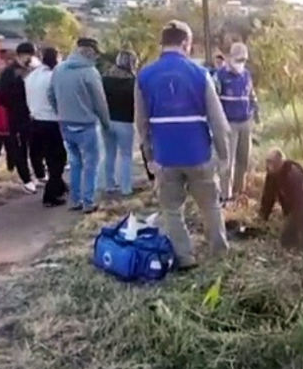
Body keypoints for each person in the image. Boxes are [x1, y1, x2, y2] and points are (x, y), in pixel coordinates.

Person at [135, 20, 231, 271]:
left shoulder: (144, 76)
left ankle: (185, 257)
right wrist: (223, 155)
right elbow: (218, 122)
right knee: (210, 205)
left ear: (162, 44)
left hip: (165, 157)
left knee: (172, 210)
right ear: (186, 43)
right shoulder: (200, 74)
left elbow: (141, 123)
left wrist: (149, 157)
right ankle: (219, 253)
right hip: (199, 154)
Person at [49, 37, 111, 214]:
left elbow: (50, 94)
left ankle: (75, 200)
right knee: (91, 164)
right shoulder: (90, 72)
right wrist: (106, 124)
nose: (97, 58)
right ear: (90, 53)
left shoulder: (59, 69)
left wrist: (60, 113)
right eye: (96, 54)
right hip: (86, 125)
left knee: (75, 163)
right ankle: (88, 202)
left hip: (66, 124)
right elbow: (100, 103)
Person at [213, 42, 260, 203]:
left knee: (243, 160)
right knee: (227, 161)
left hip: (245, 122)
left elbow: (251, 95)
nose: (241, 63)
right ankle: (226, 195)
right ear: (230, 58)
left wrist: (256, 112)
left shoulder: (246, 75)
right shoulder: (220, 76)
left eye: (244, 60)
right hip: (229, 124)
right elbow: (214, 101)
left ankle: (238, 192)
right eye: (238, 59)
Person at [0, 42, 47, 193]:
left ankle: (40, 174)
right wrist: (16, 103)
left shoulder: (32, 70)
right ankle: (26, 180)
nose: (30, 59)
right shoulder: (9, 73)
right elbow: (1, 96)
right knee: (20, 149)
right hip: (17, 117)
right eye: (28, 56)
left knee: (36, 147)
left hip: (32, 115)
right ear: (20, 55)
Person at [25, 47, 68, 207]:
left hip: (34, 120)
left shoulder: (32, 76)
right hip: (50, 121)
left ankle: (59, 186)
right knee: (58, 159)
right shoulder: (53, 77)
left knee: (50, 158)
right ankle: (50, 195)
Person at [101, 50, 138, 196]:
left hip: (107, 120)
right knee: (126, 155)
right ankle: (126, 187)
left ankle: (109, 184)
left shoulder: (105, 79)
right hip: (125, 121)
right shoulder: (132, 82)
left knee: (109, 153)